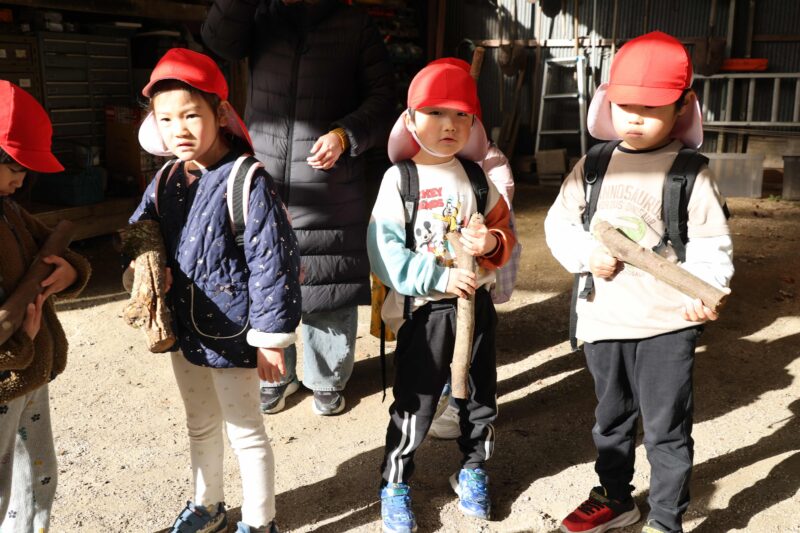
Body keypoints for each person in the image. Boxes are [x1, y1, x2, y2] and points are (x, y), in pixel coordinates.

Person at [544, 32, 734, 533]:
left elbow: (712, 244)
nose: (634, 117)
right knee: (611, 419)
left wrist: (704, 291)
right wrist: (586, 256)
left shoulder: (691, 174)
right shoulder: (592, 167)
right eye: (625, 105)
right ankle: (615, 498)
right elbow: (559, 224)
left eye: (651, 107)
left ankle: (666, 518)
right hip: (604, 320)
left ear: (683, 105)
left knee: (667, 426)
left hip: (666, 323)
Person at [130, 48, 301, 533]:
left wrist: (271, 339)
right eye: (166, 119)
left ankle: (260, 522)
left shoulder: (247, 179)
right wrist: (145, 270)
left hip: (234, 333)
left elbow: (274, 264)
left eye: (190, 115)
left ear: (220, 113)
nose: (178, 129)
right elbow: (140, 233)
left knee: (245, 431)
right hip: (183, 330)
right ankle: (208, 506)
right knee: (199, 423)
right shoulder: (165, 179)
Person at [202, 0, 395, 416]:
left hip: (329, 175)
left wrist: (345, 135)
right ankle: (277, 373)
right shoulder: (261, 15)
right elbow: (218, 39)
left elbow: (384, 99)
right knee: (265, 271)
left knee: (328, 275)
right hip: (264, 171)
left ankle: (327, 377)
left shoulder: (355, 25)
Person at [368, 60, 516, 532]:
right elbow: (383, 250)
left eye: (461, 115)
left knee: (479, 397)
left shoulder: (476, 177)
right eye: (435, 112)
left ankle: (472, 468)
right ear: (410, 120)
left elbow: (504, 230)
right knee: (416, 402)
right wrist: (435, 277)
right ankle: (395, 484)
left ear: (474, 124)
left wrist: (490, 244)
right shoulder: (400, 179)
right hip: (425, 311)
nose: (449, 124)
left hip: (477, 308)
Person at [0, 80, 91, 532]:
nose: (21, 180)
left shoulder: (10, 209)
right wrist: (19, 346)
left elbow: (53, 247)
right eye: (14, 167)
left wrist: (71, 272)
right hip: (6, 376)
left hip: (30, 375)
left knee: (37, 477)